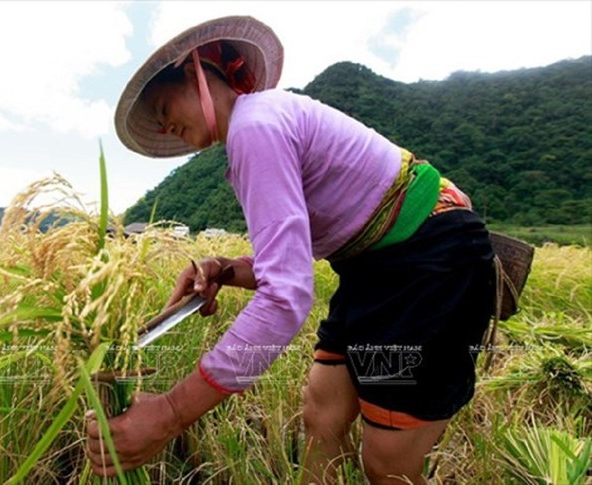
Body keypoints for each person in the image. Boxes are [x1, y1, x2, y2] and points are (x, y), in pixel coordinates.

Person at [85, 16, 495, 484]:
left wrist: (171, 412)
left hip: (428, 266)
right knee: (322, 415)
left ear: (199, 69)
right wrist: (224, 269)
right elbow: (288, 263)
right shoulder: (256, 130)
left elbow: (286, 295)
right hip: (369, 270)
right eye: (158, 121)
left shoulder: (255, 127)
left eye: (163, 105)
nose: (165, 124)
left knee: (388, 464)